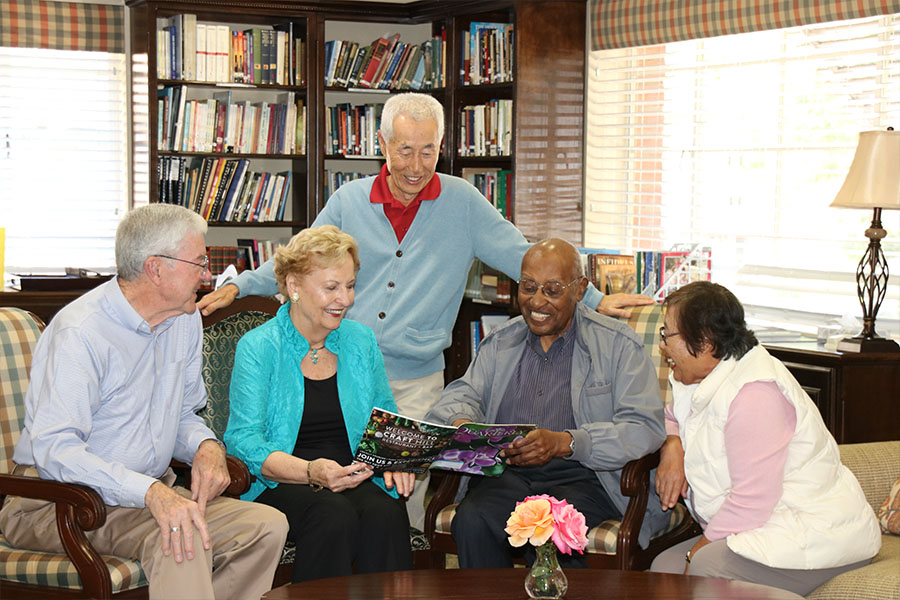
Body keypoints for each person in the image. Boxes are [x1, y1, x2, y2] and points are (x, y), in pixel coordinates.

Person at [197, 92, 651, 530]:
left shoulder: (462, 202)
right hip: (348, 369)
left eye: (428, 151)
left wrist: (592, 300)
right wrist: (240, 284)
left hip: (416, 384)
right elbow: (300, 259)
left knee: (402, 501)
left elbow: (521, 255)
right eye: (405, 150)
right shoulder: (350, 200)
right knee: (340, 497)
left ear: (441, 147)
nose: (416, 166)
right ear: (382, 145)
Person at [0, 204, 288, 600]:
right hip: (58, 502)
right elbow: (56, 450)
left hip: (144, 497)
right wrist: (149, 492)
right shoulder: (81, 333)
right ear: (156, 268)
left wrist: (205, 446)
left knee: (265, 527)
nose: (207, 275)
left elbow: (186, 413)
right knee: (182, 539)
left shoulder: (182, 318)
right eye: (199, 262)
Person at [425, 238, 668, 568]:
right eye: (528, 287)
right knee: (473, 519)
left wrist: (567, 442)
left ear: (580, 288)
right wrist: (463, 423)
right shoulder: (500, 342)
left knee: (554, 534)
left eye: (552, 290)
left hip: (587, 477)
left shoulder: (618, 345)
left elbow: (643, 428)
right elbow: (459, 397)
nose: (536, 301)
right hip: (509, 473)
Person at [650, 281, 881, 596]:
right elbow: (672, 416)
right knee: (663, 570)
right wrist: (672, 447)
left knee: (703, 568)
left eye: (667, 334)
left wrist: (695, 552)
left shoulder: (755, 393)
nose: (662, 345)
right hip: (769, 527)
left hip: (822, 537)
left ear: (704, 341)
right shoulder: (701, 375)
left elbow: (751, 502)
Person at [223, 225, 415, 583]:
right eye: (331, 287)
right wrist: (312, 471)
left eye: (350, 285)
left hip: (353, 477)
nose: (345, 299)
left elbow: (387, 415)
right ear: (294, 286)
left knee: (385, 512)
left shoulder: (360, 341)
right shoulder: (260, 347)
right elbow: (242, 440)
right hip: (283, 482)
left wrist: (398, 456)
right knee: (332, 515)